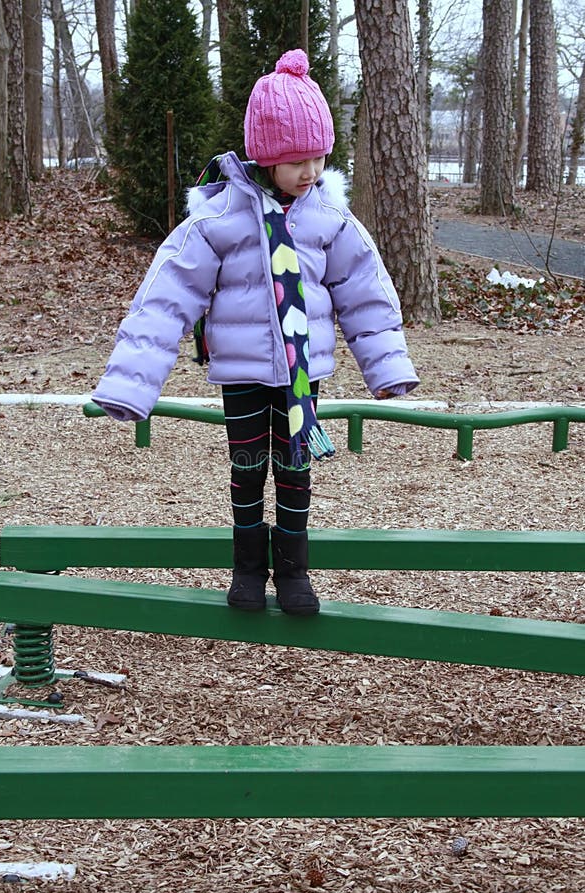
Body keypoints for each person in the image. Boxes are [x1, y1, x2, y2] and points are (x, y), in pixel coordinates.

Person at [92, 48, 419, 618]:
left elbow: (365, 294)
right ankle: (247, 565)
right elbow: (165, 301)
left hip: (302, 378)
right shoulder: (219, 221)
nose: (311, 172)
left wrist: (387, 367)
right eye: (297, 160)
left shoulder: (329, 220)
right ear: (265, 157)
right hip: (242, 373)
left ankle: (293, 568)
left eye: (318, 158)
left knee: (295, 468)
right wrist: (130, 385)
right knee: (246, 469)